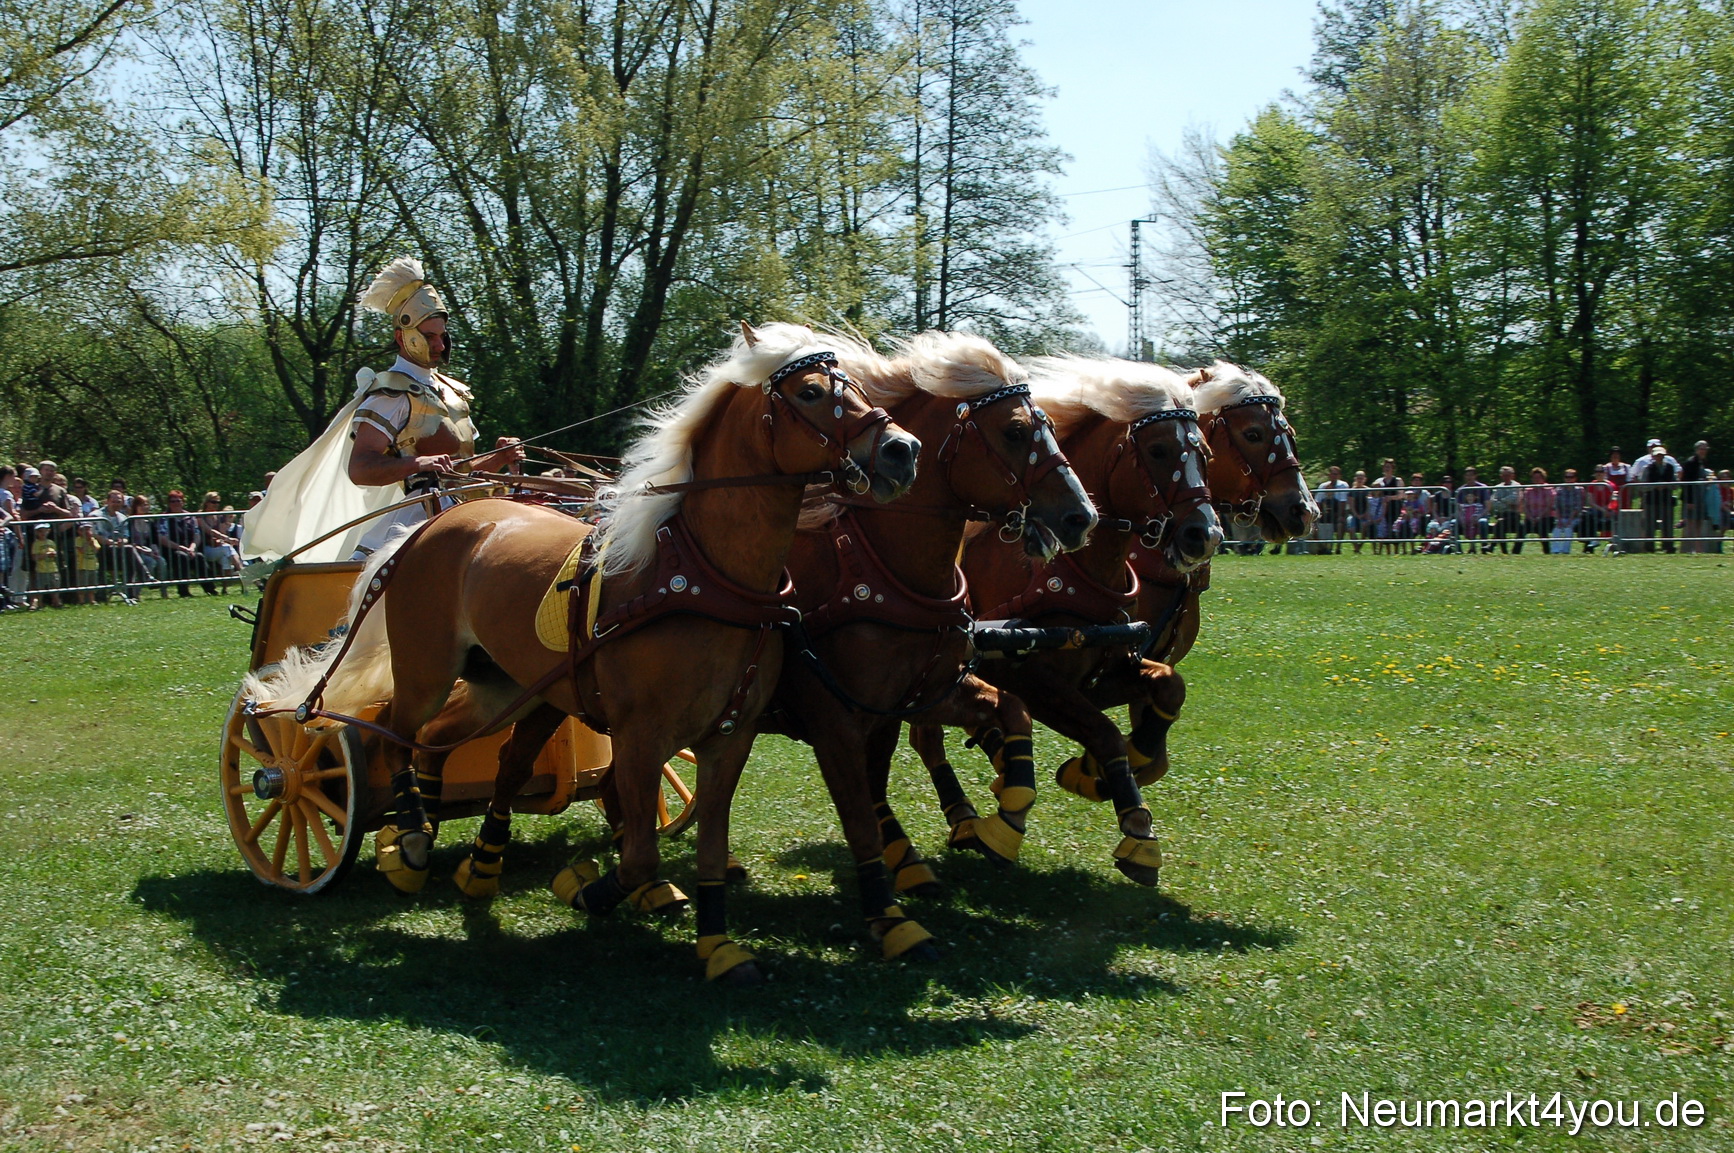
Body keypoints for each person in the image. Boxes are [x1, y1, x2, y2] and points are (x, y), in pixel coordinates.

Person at [241, 257, 524, 566]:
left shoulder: (452, 392)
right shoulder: (391, 394)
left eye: (442, 335)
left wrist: (499, 457)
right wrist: (417, 463)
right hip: (416, 516)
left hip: (463, 505)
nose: (440, 345)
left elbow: (459, 471)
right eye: (429, 336)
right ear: (402, 335)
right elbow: (360, 468)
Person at [157, 489, 217, 595]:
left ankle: (210, 588)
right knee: (181, 557)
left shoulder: (190, 516)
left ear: (183, 502)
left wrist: (192, 548)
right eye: (173, 501)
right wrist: (180, 547)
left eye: (178, 501)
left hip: (189, 549)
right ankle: (183, 591)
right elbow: (163, 538)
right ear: (169, 503)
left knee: (199, 557)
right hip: (172, 551)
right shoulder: (163, 517)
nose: (176, 503)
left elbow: (197, 535)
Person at [1628, 440, 1680, 553]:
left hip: (1666, 499)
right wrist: (1654, 487)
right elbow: (1643, 485)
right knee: (1649, 524)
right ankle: (1649, 546)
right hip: (1651, 500)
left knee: (1668, 524)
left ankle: (1668, 545)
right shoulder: (1647, 468)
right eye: (1657, 455)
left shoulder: (1670, 468)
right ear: (1653, 456)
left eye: (1661, 455)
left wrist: (1667, 486)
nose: (1660, 457)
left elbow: (1675, 483)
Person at [95, 489, 142, 602]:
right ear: (107, 501)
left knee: (129, 552)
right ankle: (145, 575)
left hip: (119, 550)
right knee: (129, 550)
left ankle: (130, 593)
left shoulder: (122, 517)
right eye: (114, 501)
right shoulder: (97, 515)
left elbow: (126, 536)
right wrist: (112, 542)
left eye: (119, 501)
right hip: (102, 550)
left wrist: (123, 541)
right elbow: (96, 535)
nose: (116, 504)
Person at [1680, 440, 1717, 553]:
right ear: (1696, 450)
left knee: (1699, 523)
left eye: (1705, 449)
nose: (1703, 451)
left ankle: (1698, 549)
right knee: (1691, 524)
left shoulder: (1703, 462)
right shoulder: (1691, 462)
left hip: (1701, 496)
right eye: (1701, 449)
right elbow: (1686, 482)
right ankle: (1690, 548)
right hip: (1692, 497)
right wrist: (1690, 500)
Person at [129, 494, 168, 597]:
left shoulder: (150, 522)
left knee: (161, 561)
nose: (144, 507)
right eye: (141, 505)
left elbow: (153, 540)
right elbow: (129, 542)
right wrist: (144, 551)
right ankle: (135, 593)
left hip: (148, 551)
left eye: (146, 504)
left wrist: (155, 551)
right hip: (134, 552)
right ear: (135, 507)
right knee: (150, 562)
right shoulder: (130, 522)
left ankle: (164, 592)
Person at [1515, 467, 1555, 554]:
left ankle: (1547, 551)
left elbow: (1549, 506)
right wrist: (1530, 517)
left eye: (1538, 478)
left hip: (1545, 517)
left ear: (1543, 478)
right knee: (1521, 527)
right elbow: (1524, 506)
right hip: (1530, 518)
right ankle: (1515, 552)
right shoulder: (1528, 490)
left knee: (1542, 527)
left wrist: (1539, 517)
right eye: (1534, 478)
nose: (1536, 480)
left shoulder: (1548, 489)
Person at [1486, 466, 1522, 553]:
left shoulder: (1517, 485)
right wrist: (1508, 503)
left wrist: (1501, 500)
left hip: (1514, 515)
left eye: (1508, 475)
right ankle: (1503, 551)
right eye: (1504, 475)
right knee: (1500, 524)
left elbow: (1515, 499)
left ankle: (1513, 551)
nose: (1506, 477)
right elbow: (1494, 503)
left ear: (1512, 475)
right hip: (1502, 514)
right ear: (1501, 476)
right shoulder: (1497, 487)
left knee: (1521, 527)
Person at [1314, 465, 1349, 554]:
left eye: (1336, 474)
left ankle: (1338, 548)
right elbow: (1317, 502)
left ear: (1339, 475)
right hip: (1324, 515)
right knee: (1314, 525)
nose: (1334, 476)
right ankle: (1322, 548)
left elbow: (1343, 503)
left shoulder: (1343, 485)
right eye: (1332, 474)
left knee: (1340, 524)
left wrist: (1340, 516)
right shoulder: (1323, 486)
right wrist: (1317, 516)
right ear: (1329, 475)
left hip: (1337, 514)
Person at [1554, 468, 1588, 553]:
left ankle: (1565, 550)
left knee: (1568, 528)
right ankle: (1555, 550)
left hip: (1575, 517)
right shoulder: (1559, 489)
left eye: (1571, 477)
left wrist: (1569, 520)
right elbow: (1556, 506)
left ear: (1575, 478)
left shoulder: (1579, 489)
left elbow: (1578, 507)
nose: (1568, 479)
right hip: (1562, 516)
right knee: (1557, 529)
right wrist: (1559, 520)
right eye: (1566, 477)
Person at [30, 524, 61, 608]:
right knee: (40, 589)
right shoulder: (36, 544)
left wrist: (54, 554)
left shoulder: (51, 542)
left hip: (53, 568)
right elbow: (34, 557)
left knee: (55, 587)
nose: (43, 533)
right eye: (40, 531)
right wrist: (45, 555)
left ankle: (56, 603)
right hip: (41, 569)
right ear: (36, 532)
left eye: (45, 530)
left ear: (49, 531)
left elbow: (56, 554)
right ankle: (40, 604)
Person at [73, 523, 102, 604]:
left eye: (88, 530)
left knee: (92, 584)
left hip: (92, 565)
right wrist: (86, 543)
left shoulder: (94, 540)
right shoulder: (78, 540)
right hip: (82, 566)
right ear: (79, 531)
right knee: (82, 584)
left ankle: (92, 600)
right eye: (84, 530)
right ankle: (81, 600)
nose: (87, 532)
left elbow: (96, 550)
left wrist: (92, 543)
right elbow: (81, 551)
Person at [1347, 470, 1371, 554]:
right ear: (1355, 479)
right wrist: (1356, 515)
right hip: (1354, 514)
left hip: (1365, 514)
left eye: (1361, 478)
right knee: (1351, 528)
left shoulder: (1368, 490)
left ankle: (1359, 547)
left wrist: (1365, 514)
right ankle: (1356, 548)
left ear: (1365, 479)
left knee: (1364, 526)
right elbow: (1351, 504)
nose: (1360, 480)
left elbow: (1369, 504)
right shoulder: (1352, 491)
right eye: (1358, 478)